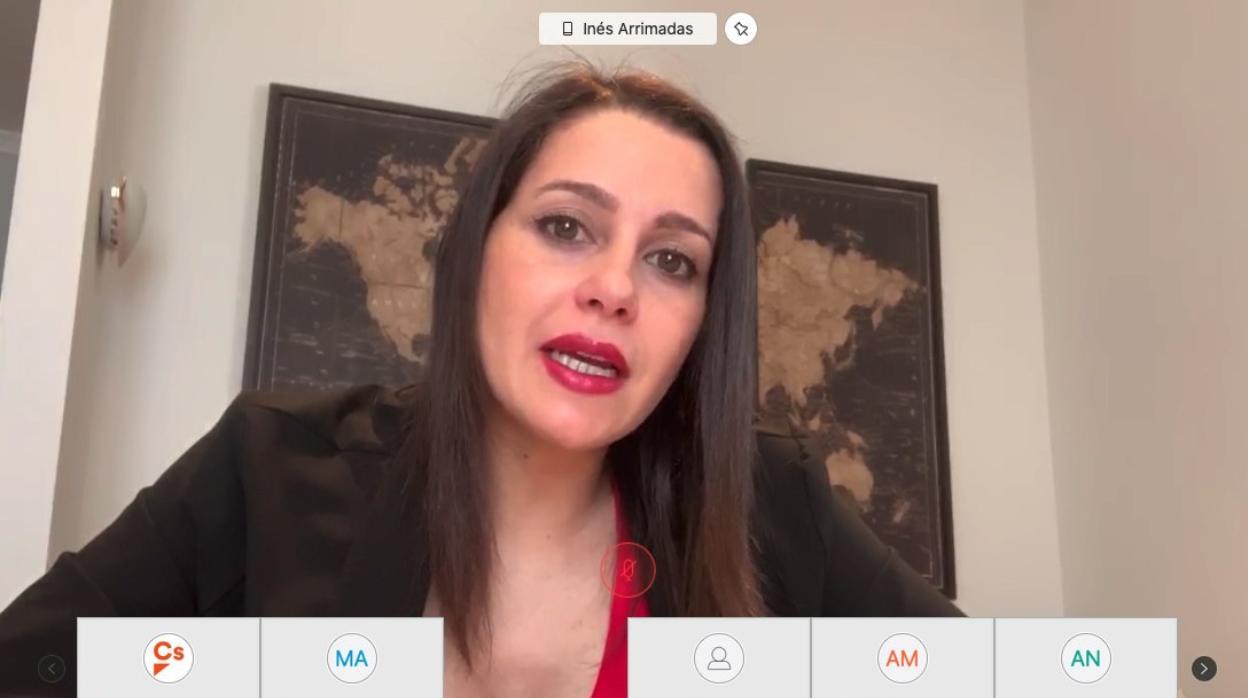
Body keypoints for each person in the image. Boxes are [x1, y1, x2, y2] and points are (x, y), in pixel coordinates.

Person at [0, 61, 961, 697]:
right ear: (477, 251)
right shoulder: (271, 466)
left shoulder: (770, 503)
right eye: (566, 226)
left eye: (673, 261)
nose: (614, 288)